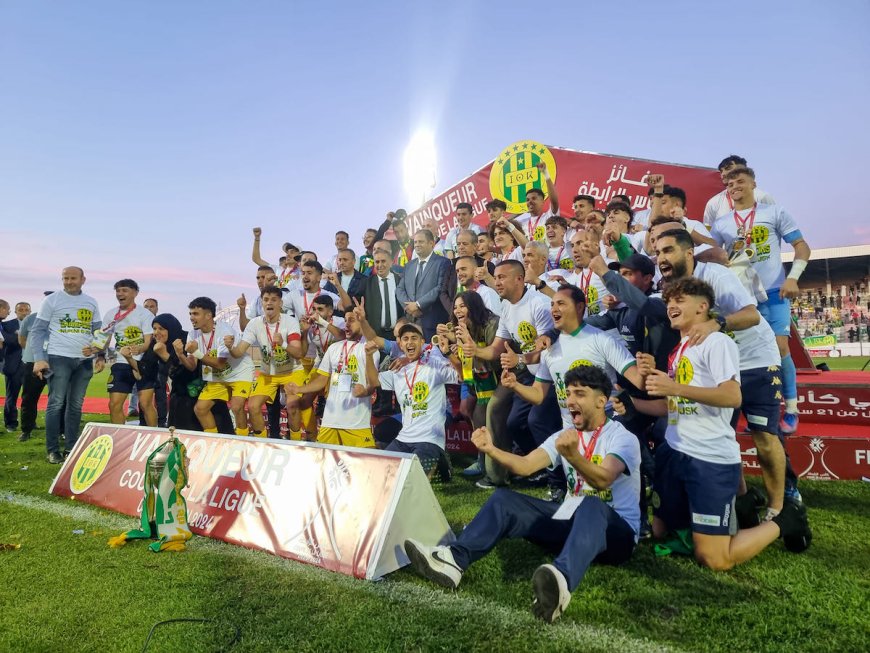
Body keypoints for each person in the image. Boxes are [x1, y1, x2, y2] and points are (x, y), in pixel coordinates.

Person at [403, 365, 640, 624]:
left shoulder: (622, 437)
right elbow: (526, 465)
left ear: (601, 401)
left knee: (591, 504)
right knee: (504, 499)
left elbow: (603, 479)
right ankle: (454, 560)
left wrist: (573, 456)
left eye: (580, 394)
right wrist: (491, 449)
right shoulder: (564, 435)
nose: (571, 400)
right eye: (569, 393)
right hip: (572, 522)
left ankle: (559, 584)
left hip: (616, 535)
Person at [636, 277, 810, 569]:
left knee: (714, 559)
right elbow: (673, 405)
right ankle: (736, 509)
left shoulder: (717, 342)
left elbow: (732, 396)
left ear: (703, 307)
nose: (671, 306)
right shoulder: (678, 350)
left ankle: (787, 518)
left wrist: (675, 388)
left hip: (708, 459)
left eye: (680, 300)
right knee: (659, 532)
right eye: (669, 302)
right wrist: (631, 401)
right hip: (676, 453)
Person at [654, 229, 803, 520]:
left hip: (755, 361)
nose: (661, 258)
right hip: (717, 366)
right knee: (722, 436)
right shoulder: (671, 286)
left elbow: (752, 314)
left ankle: (779, 509)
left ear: (688, 253)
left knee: (763, 436)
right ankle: (744, 500)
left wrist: (717, 323)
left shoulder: (717, 275)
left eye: (668, 250)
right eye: (658, 252)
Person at [710, 167, 812, 434]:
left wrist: (794, 278)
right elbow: (714, 255)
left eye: (740, 181)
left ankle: (790, 409)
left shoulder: (774, 212)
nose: (734, 186)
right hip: (742, 300)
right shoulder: (722, 224)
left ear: (754, 183)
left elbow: (802, 246)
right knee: (745, 354)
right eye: (730, 183)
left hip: (775, 292)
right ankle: (753, 412)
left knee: (780, 348)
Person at [464, 260, 562, 489]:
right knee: (515, 422)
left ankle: (556, 478)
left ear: (519, 279)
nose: (496, 281)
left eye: (501, 277)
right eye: (495, 277)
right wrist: (475, 349)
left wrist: (518, 359)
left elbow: (545, 348)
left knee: (537, 421)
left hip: (551, 373)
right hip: (530, 374)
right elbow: (497, 348)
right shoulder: (507, 307)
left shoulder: (538, 304)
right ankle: (536, 468)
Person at [364, 324, 461, 479]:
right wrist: (368, 356)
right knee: (380, 475)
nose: (410, 342)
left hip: (429, 439)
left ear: (423, 342)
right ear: (400, 344)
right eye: (405, 339)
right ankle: (442, 464)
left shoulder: (434, 365)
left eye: (414, 338)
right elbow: (374, 382)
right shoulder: (398, 371)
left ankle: (440, 457)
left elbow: (462, 375)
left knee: (412, 481)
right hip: (403, 438)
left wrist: (449, 353)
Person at [30, 267, 103, 463]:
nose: (69, 282)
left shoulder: (91, 302)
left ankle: (71, 448)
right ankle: (53, 450)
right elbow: (37, 331)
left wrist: (98, 350)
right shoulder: (52, 300)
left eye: (73, 278)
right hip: (58, 357)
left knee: (76, 405)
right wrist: (39, 357)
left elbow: (98, 332)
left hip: (84, 362)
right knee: (56, 403)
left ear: (83, 279)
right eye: (65, 278)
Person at [288, 309, 378, 447]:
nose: (347, 324)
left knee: (364, 465)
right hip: (330, 422)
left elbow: (372, 381)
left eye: (352, 320)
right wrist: (299, 389)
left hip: (356, 424)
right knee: (323, 464)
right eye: (345, 320)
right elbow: (321, 380)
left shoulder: (368, 348)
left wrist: (366, 391)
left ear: (363, 322)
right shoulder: (334, 348)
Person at [228, 287, 306, 439]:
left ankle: (295, 443)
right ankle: (261, 443)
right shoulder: (254, 324)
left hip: (292, 371)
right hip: (268, 373)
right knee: (253, 406)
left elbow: (298, 353)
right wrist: (231, 347)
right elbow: (238, 353)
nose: (269, 303)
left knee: (292, 406)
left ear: (280, 303)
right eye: (266, 300)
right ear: (262, 303)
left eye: (274, 300)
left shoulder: (290, 322)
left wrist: (283, 344)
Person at [178, 297, 254, 436]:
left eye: (195, 314)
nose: (191, 317)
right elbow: (192, 366)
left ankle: (243, 440)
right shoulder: (192, 334)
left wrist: (196, 352)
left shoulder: (225, 331)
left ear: (208, 315)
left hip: (239, 373)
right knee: (200, 409)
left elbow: (220, 363)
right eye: (190, 314)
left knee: (237, 407)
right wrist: (181, 355)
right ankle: (213, 439)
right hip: (218, 378)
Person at [445, 290, 500, 477]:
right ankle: (483, 462)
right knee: (476, 417)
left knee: (486, 420)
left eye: (462, 306)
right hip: (477, 383)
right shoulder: (462, 328)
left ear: (473, 306)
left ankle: (495, 467)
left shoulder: (491, 324)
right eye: (455, 307)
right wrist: (449, 349)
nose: (457, 310)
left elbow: (495, 357)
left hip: (500, 380)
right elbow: (464, 365)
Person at [92, 279, 155, 426]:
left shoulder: (144, 314)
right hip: (121, 363)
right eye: (118, 291)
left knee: (145, 405)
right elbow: (104, 339)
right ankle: (118, 439)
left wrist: (138, 349)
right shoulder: (111, 314)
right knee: (114, 405)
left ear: (135, 293)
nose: (120, 294)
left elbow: (148, 342)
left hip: (142, 363)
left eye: (124, 290)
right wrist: (100, 356)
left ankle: (156, 439)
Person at [395, 229, 455, 340]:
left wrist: (418, 304)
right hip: (411, 323)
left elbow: (439, 288)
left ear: (431, 243)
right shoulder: (409, 266)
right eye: (416, 242)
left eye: (421, 242)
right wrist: (410, 307)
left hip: (433, 324)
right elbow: (399, 289)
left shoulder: (443, 262)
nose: (417, 245)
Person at [703, 155, 776, 227]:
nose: (723, 174)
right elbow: (708, 233)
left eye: (728, 168)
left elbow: (775, 224)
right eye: (721, 171)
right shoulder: (713, 203)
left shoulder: (762, 196)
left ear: (742, 169)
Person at [15, 304, 46, 441]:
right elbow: (22, 340)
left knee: (59, 398)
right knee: (29, 397)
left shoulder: (61, 319)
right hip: (32, 363)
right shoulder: (31, 319)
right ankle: (26, 430)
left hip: (55, 363)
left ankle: (60, 430)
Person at [1, 301, 30, 433]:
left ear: (30, 311)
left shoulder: (35, 325)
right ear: (15, 312)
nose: (23, 312)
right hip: (14, 366)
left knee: (30, 396)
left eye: (26, 310)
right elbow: (8, 340)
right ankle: (11, 423)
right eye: (21, 310)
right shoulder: (6, 325)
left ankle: (29, 422)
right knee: (12, 396)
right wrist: (22, 336)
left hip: (30, 364)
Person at [361, 249, 404, 340]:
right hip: (375, 336)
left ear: (391, 262)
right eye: (377, 262)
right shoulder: (366, 283)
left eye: (383, 261)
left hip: (398, 335)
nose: (380, 265)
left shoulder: (400, 281)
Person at [514, 163, 560, 242]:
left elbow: (554, 201)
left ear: (542, 201)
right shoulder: (522, 223)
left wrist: (546, 174)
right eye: (527, 200)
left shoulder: (549, 217)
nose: (530, 201)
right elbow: (503, 222)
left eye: (534, 198)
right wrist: (519, 212)